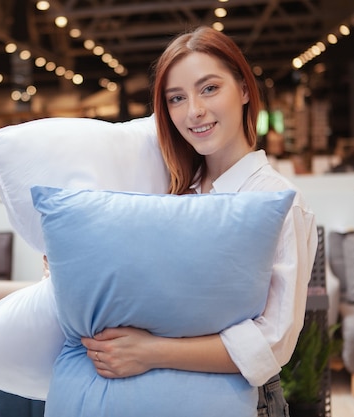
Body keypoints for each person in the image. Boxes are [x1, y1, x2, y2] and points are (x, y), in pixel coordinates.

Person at [79, 26, 318, 416]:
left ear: (243, 90)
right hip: (160, 397)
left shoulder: (278, 201)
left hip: (243, 402)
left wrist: (151, 352)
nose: (194, 111)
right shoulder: (169, 196)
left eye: (209, 89)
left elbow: (272, 343)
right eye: (177, 98)